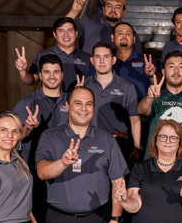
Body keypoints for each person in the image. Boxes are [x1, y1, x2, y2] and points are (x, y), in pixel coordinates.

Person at [36, 86, 128, 223]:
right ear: (67, 105)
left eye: (89, 104)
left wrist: (115, 219)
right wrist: (63, 163)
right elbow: (41, 172)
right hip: (58, 218)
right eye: (78, 103)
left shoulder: (107, 139)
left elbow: (118, 182)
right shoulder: (50, 136)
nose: (84, 108)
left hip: (98, 217)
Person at [13, 54, 69, 222]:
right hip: (34, 171)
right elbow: (15, 136)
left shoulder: (71, 101)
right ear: (40, 74)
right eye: (47, 72)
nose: (52, 76)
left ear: (62, 74)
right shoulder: (26, 103)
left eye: (56, 72)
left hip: (65, 170)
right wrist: (27, 128)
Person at [114, 119, 182, 223]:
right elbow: (134, 206)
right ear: (155, 141)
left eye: (173, 138)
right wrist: (124, 200)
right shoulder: (140, 168)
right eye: (163, 137)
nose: (168, 141)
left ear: (180, 143)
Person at [82, 41, 141, 166]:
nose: (102, 61)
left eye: (106, 57)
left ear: (114, 60)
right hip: (90, 143)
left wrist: (136, 147)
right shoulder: (83, 85)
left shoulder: (127, 86)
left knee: (119, 184)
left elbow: (135, 119)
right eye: (98, 57)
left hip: (119, 144)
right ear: (92, 60)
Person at [15, 17, 92, 92]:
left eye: (70, 30)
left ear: (76, 33)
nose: (66, 35)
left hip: (78, 103)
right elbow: (31, 80)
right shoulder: (43, 55)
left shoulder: (87, 58)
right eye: (61, 31)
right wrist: (23, 71)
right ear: (55, 34)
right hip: (51, 103)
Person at [66, 0, 142, 54]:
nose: (113, 10)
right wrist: (74, 12)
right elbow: (63, 31)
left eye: (118, 7)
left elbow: (138, 59)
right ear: (103, 9)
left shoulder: (130, 33)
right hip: (88, 71)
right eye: (109, 6)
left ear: (124, 12)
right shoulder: (87, 23)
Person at [112, 22, 158, 99]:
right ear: (112, 38)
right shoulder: (105, 60)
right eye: (120, 33)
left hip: (140, 106)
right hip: (111, 106)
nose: (124, 36)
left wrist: (151, 75)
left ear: (134, 39)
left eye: (128, 33)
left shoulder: (145, 60)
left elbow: (157, 86)